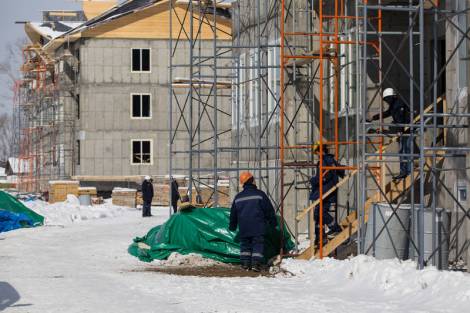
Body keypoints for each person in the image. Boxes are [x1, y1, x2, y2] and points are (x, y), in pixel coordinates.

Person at [229, 172, 277, 272]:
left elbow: (233, 214)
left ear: (243, 183)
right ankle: (256, 264)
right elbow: (269, 210)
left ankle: (245, 264)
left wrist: (232, 226)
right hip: (258, 227)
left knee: (245, 245)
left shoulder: (238, 197)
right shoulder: (260, 194)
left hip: (244, 228)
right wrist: (273, 223)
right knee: (257, 244)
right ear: (252, 181)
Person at [368, 88, 417, 180]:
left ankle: (408, 172)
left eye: (386, 99)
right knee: (403, 150)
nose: (386, 101)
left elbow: (401, 118)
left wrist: (400, 130)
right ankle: (404, 171)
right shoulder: (394, 104)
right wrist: (374, 118)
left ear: (390, 97)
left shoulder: (398, 104)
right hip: (403, 130)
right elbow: (387, 113)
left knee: (406, 150)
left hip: (407, 129)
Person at [309, 142, 344, 246]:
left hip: (326, 192)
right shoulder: (327, 160)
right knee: (317, 214)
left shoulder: (326, 160)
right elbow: (339, 171)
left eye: (316, 152)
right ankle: (319, 237)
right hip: (324, 191)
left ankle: (336, 229)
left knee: (320, 213)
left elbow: (326, 176)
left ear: (320, 150)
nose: (316, 154)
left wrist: (313, 180)